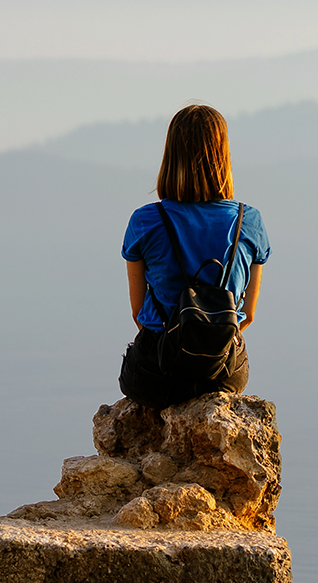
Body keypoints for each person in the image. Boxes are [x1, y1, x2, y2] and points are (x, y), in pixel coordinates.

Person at [118, 103, 270, 408]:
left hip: (156, 374)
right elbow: (248, 314)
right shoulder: (248, 221)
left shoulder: (145, 221)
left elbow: (138, 313)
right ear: (223, 155)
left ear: (170, 155)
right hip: (224, 371)